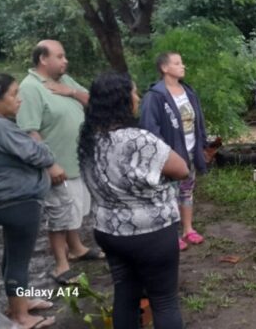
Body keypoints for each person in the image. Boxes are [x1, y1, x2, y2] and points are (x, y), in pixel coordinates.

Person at [79, 72, 189, 329]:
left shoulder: (88, 139)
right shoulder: (139, 139)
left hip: (109, 230)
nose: (137, 98)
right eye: (134, 93)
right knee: (164, 300)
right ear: (122, 100)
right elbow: (181, 169)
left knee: (125, 294)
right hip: (150, 232)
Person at [16, 39, 103, 287]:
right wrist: (49, 164)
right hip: (57, 165)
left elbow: (92, 101)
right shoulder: (30, 88)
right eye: (60, 56)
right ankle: (61, 265)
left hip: (78, 161)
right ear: (43, 59)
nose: (65, 60)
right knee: (60, 215)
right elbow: (30, 132)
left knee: (74, 209)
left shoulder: (65, 81)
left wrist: (73, 92)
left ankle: (77, 248)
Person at [0, 73, 57, 328]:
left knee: (13, 255)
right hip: (17, 201)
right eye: (14, 94)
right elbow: (38, 155)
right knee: (19, 258)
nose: (19, 100)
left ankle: (21, 301)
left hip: (4, 200)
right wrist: (40, 144)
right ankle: (21, 316)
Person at [139, 52, 208, 251]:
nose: (182, 66)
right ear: (164, 68)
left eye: (182, 62)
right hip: (169, 156)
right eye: (177, 63)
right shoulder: (155, 96)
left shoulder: (188, 92)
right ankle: (171, 233)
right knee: (167, 194)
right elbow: (150, 128)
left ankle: (188, 229)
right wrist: (164, 154)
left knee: (187, 190)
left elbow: (198, 121)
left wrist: (202, 144)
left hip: (190, 152)